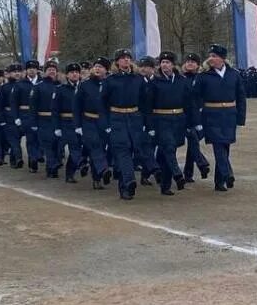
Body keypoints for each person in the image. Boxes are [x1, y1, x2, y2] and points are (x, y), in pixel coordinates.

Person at [191, 44, 247, 192]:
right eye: (210, 56)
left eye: (214, 56)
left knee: (225, 145)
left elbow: (241, 96)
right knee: (218, 145)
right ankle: (228, 173)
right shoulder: (203, 76)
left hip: (229, 114)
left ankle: (219, 181)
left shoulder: (233, 74)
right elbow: (195, 98)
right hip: (211, 114)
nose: (211, 58)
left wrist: (241, 117)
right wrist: (197, 118)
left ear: (222, 58)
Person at [104, 49, 152, 200]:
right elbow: (102, 103)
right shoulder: (110, 80)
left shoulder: (138, 79)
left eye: (128, 58)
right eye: (122, 58)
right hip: (117, 117)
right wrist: (106, 123)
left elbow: (145, 102)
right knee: (123, 150)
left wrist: (145, 122)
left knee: (134, 149)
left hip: (134, 117)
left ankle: (127, 182)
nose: (126, 60)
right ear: (117, 62)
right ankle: (128, 182)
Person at [147, 51, 190, 195]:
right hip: (161, 120)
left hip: (178, 120)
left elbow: (189, 102)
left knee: (166, 154)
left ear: (173, 65)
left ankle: (165, 185)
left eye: (167, 62)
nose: (164, 65)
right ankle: (178, 175)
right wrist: (150, 126)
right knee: (169, 147)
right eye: (162, 62)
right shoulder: (154, 82)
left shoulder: (181, 81)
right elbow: (148, 105)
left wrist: (191, 122)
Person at [74, 58, 113, 190]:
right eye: (96, 66)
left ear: (106, 70)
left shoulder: (110, 84)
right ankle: (103, 169)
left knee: (101, 147)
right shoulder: (85, 85)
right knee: (95, 145)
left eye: (101, 67)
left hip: (105, 122)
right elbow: (77, 106)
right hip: (88, 120)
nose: (97, 69)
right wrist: (78, 125)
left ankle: (97, 177)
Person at [180, 53, 211, 182]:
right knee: (193, 140)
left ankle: (188, 173)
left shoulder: (201, 78)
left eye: (193, 61)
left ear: (198, 65)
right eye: (188, 61)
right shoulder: (180, 78)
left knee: (193, 144)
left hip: (198, 115)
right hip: (183, 115)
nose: (190, 63)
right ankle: (202, 163)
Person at [53, 63, 83, 182]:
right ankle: (80, 164)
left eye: (76, 72)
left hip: (81, 122)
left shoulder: (83, 88)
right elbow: (55, 110)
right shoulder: (60, 89)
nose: (74, 74)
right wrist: (57, 127)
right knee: (74, 145)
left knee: (78, 147)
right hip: (66, 122)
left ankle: (70, 173)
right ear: (67, 75)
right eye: (72, 72)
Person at [34, 60, 61, 177]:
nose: (52, 72)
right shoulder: (38, 87)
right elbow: (33, 106)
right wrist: (34, 122)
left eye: (54, 70)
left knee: (57, 146)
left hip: (58, 121)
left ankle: (52, 167)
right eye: (49, 70)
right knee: (48, 145)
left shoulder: (60, 86)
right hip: (43, 120)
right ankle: (52, 167)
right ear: (45, 72)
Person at [0, 65, 25, 168]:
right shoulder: (5, 88)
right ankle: (18, 157)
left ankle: (13, 159)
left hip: (23, 116)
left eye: (19, 71)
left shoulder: (25, 85)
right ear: (9, 74)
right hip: (9, 117)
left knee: (17, 139)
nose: (17, 73)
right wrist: (2, 119)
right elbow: (0, 105)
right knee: (14, 139)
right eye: (14, 72)